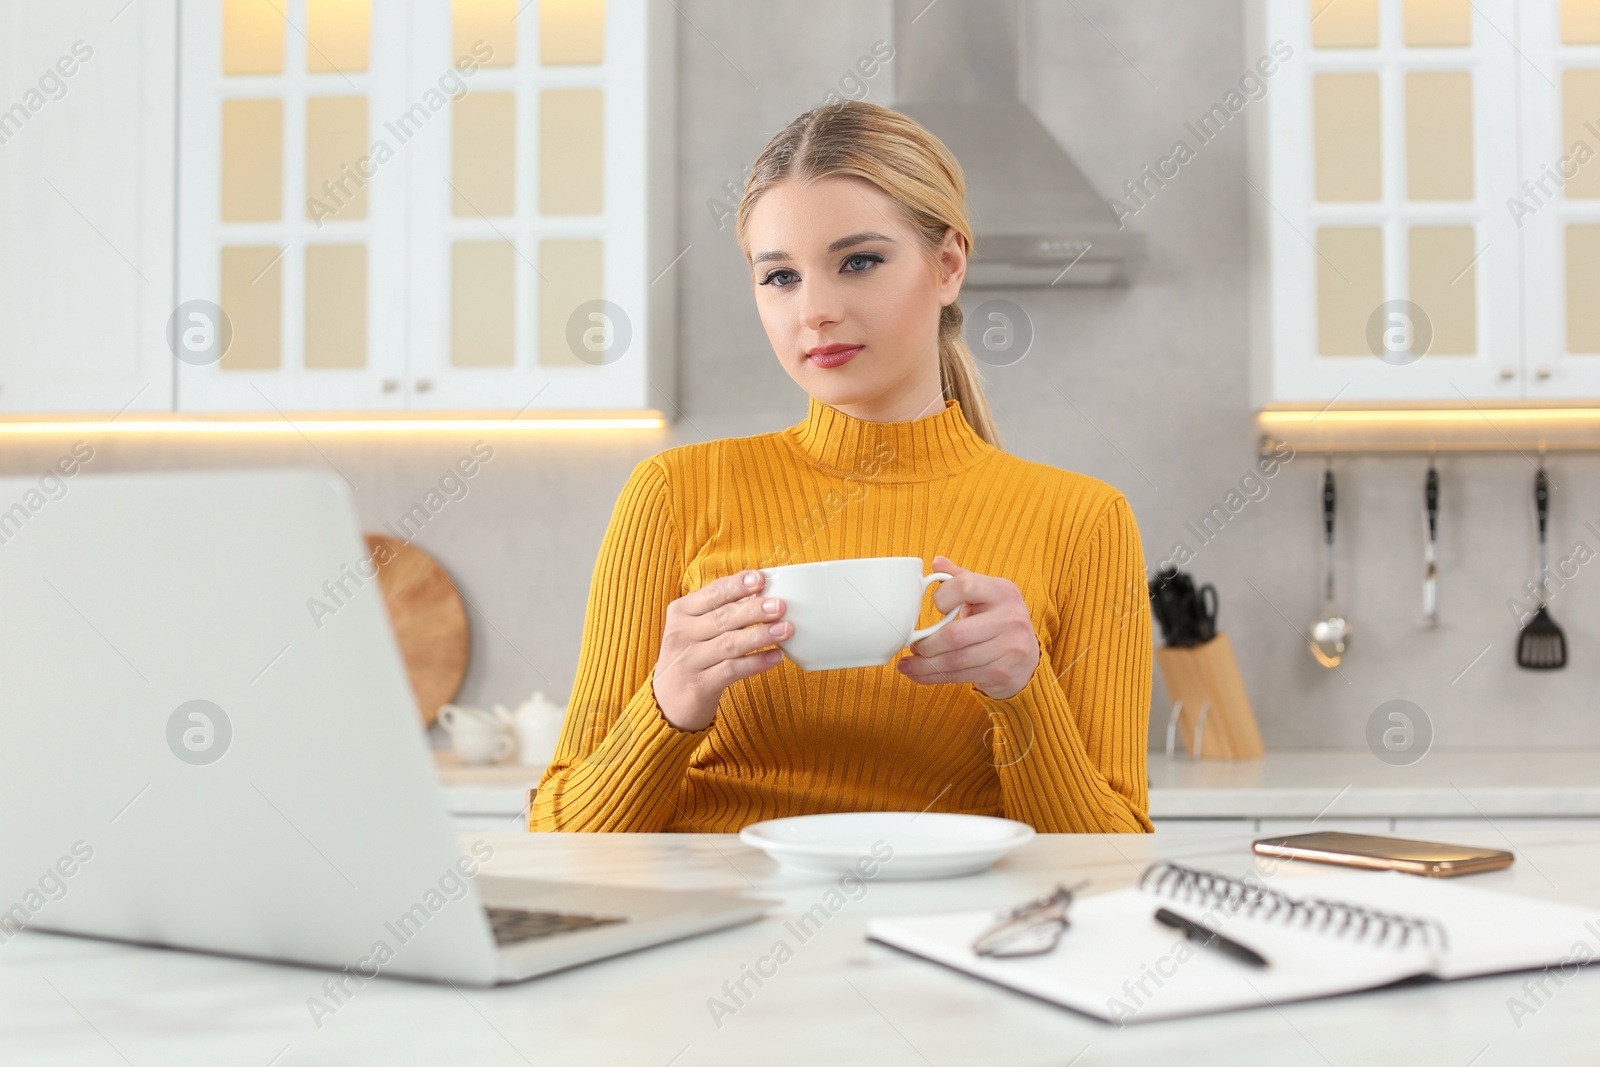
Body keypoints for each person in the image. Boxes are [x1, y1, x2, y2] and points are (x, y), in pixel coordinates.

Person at [529, 100, 1152, 834]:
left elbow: (1113, 861)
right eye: (781, 277)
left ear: (948, 265)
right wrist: (669, 704)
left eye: (858, 262)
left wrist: (1025, 694)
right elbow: (562, 840)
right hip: (716, 937)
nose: (815, 310)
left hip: (958, 940)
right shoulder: (672, 494)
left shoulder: (1083, 520)